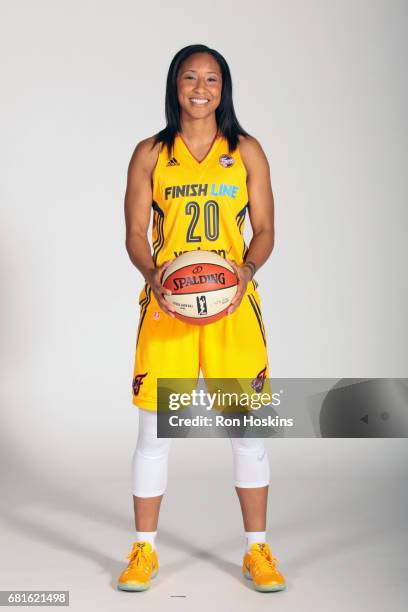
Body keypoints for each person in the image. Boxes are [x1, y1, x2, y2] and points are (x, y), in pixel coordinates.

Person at [118, 44, 286, 593]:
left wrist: (246, 272)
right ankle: (144, 551)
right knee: (154, 433)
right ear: (175, 85)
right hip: (169, 308)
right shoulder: (150, 153)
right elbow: (135, 236)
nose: (200, 87)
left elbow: (264, 230)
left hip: (232, 309)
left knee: (247, 435)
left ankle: (256, 551)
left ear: (223, 88)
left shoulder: (247, 151)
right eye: (190, 77)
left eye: (211, 79)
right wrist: (154, 279)